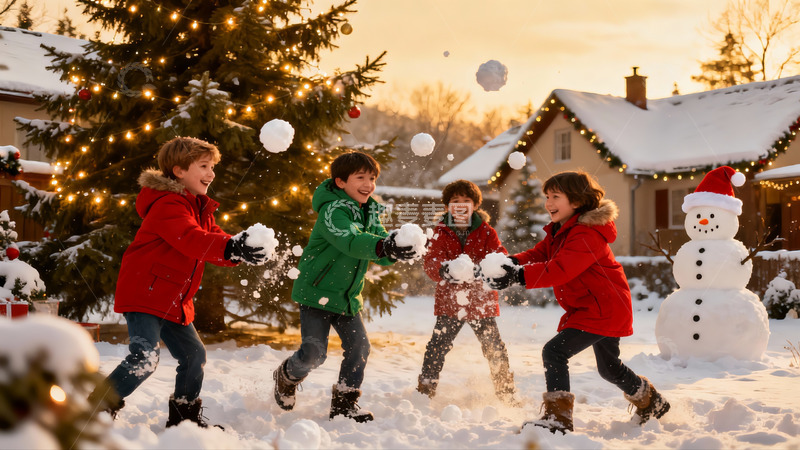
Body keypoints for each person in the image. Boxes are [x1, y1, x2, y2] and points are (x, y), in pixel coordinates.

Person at [92, 137, 269, 428]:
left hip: (173, 298)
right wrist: (231, 248)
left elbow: (213, 241)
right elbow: (190, 239)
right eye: (203, 166)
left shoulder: (198, 208)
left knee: (194, 354)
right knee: (144, 357)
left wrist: (240, 248)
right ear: (178, 171)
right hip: (146, 293)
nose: (211, 173)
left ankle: (184, 419)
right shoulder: (168, 204)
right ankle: (95, 410)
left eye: (212, 166)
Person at [484, 170, 670, 434]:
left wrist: (518, 276)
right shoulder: (563, 230)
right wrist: (513, 262)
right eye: (547, 196)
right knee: (609, 369)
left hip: (603, 308)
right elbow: (541, 252)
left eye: (556, 196)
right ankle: (651, 401)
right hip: (597, 307)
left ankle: (558, 419)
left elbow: (561, 268)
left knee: (554, 352)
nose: (548, 203)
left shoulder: (587, 234)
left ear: (577, 201)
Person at [272, 151, 416, 423]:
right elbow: (350, 240)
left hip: (348, 298)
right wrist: (382, 245)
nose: (368, 184)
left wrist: (395, 249)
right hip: (317, 293)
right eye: (360, 177)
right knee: (314, 354)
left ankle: (344, 404)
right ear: (340, 182)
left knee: (359, 349)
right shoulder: (332, 211)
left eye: (372, 178)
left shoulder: (369, 211)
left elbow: (380, 246)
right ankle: (287, 375)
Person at [418, 179, 518, 405]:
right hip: (450, 302)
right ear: (447, 207)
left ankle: (506, 392)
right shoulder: (440, 232)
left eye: (466, 201)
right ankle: (425, 390)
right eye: (455, 201)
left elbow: (499, 255)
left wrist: (490, 268)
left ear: (475, 205)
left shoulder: (486, 231)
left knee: (494, 348)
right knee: (437, 347)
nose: (461, 205)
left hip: (481, 301)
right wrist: (445, 270)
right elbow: (431, 260)